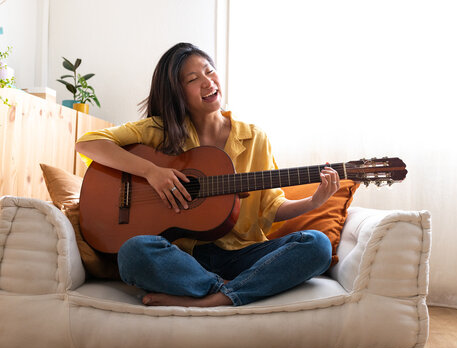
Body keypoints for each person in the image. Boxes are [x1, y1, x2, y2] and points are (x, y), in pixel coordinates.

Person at [75, 42, 340, 307]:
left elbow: (272, 206)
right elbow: (87, 143)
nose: (207, 82)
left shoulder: (254, 137)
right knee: (133, 252)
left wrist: (314, 202)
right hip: (184, 256)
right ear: (176, 93)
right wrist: (152, 172)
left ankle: (210, 297)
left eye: (209, 71)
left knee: (317, 245)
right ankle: (230, 289)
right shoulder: (159, 131)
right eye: (193, 79)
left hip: (244, 253)